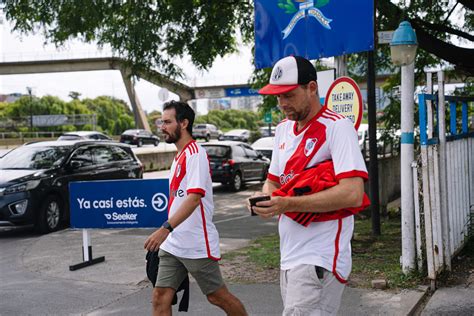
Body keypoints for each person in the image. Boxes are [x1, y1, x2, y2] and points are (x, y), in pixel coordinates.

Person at [250, 56, 370, 315]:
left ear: (312, 88)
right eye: (278, 97)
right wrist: (267, 200)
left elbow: (353, 193)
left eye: (289, 95)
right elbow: (272, 181)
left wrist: (287, 203)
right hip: (289, 256)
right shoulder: (282, 130)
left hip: (319, 256)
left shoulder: (337, 127)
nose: (282, 104)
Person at [144, 100, 247, 316]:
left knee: (217, 296)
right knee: (160, 296)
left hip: (195, 242)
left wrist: (165, 229)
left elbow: (194, 198)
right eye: (161, 122)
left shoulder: (195, 154)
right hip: (174, 242)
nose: (162, 127)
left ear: (183, 123)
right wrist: (169, 232)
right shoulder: (178, 156)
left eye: (167, 122)